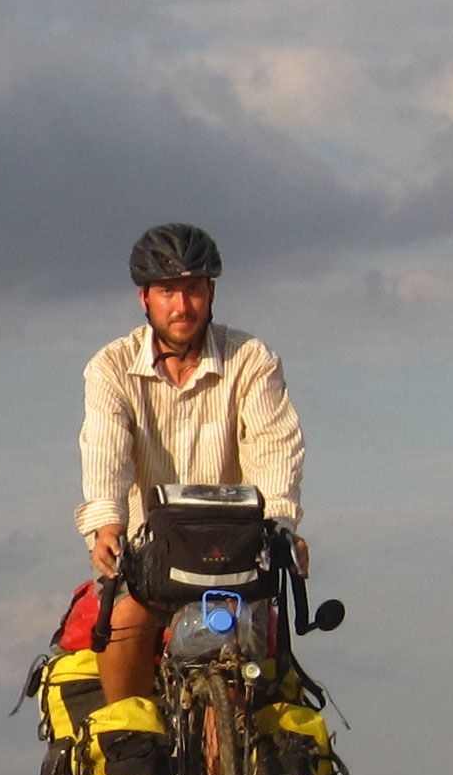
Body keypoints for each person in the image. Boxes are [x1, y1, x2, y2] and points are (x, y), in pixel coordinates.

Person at [78, 220, 306, 722]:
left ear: (211, 292)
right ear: (145, 298)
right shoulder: (111, 367)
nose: (182, 307)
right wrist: (106, 523)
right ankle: (128, 739)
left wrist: (282, 525)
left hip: (234, 554)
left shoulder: (252, 360)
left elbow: (274, 445)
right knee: (125, 621)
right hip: (151, 556)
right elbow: (105, 448)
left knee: (250, 660)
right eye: (167, 292)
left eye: (193, 290)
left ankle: (231, 774)